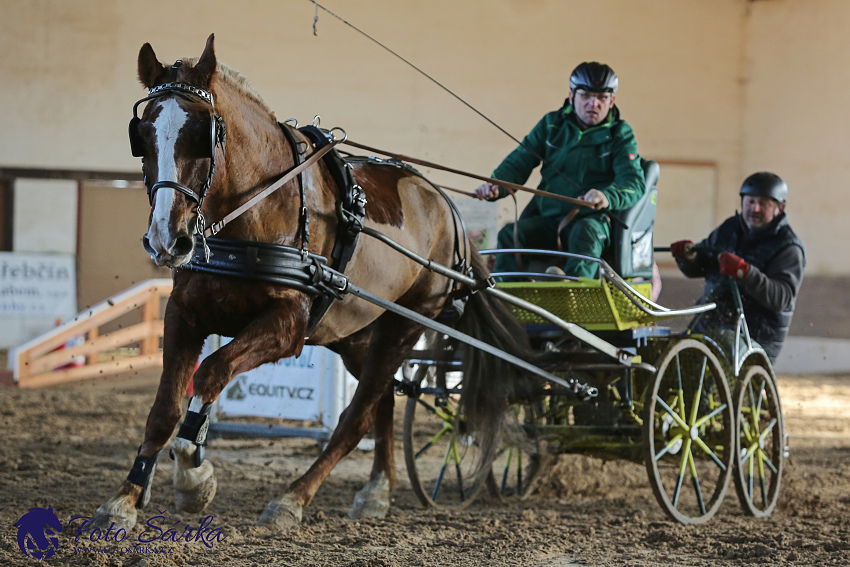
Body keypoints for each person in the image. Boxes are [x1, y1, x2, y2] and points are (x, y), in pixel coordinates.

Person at [474, 61, 645, 279]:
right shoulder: (550, 124)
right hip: (550, 219)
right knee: (510, 235)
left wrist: (606, 196)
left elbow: (634, 183)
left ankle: (576, 297)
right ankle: (505, 302)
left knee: (585, 234)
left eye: (602, 97)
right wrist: (496, 186)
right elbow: (519, 162)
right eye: (585, 95)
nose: (593, 103)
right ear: (572, 96)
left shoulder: (620, 133)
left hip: (593, 222)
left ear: (612, 101)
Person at [670, 172, 805, 362]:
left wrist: (746, 272)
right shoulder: (729, 228)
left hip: (754, 335)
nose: (755, 208)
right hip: (710, 323)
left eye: (763, 203)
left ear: (780, 208)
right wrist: (687, 257)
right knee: (675, 359)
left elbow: (781, 298)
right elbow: (700, 267)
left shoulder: (789, 247)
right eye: (750, 202)